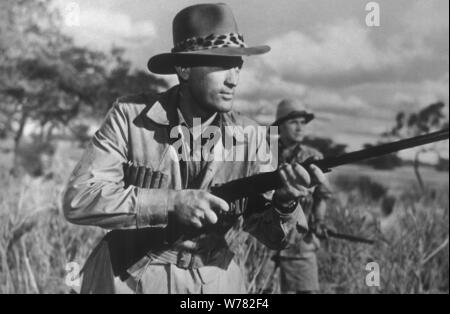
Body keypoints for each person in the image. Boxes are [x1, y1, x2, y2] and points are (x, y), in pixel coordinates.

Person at [62, 3, 327, 294]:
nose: (233, 79)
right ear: (184, 68)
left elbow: (276, 238)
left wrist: (285, 203)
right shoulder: (131, 117)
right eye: (220, 65)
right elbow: (79, 199)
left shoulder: (251, 135)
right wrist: (170, 203)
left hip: (216, 285)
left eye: (237, 64)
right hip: (128, 279)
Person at [272, 98, 333, 294]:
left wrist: (319, 220)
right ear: (280, 125)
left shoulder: (313, 156)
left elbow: (322, 195)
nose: (300, 128)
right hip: (263, 244)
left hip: (300, 243)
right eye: (293, 122)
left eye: (303, 122)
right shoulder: (264, 153)